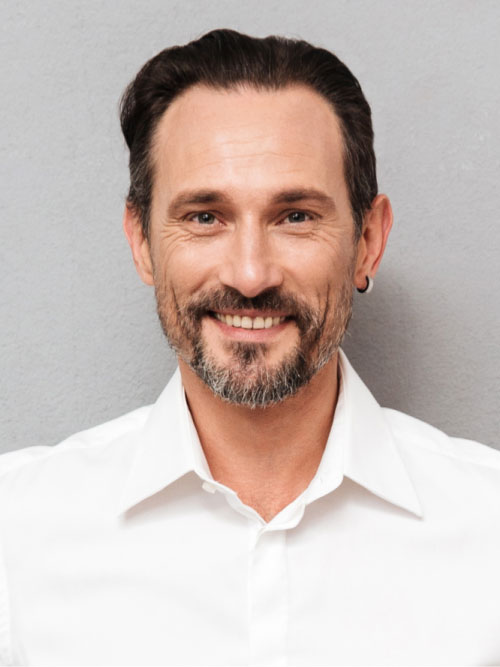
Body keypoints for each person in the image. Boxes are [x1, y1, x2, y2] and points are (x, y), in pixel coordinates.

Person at [1, 28, 499, 667]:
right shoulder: (18, 536)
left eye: (296, 216)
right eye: (204, 217)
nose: (250, 275)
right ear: (142, 242)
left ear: (368, 242)